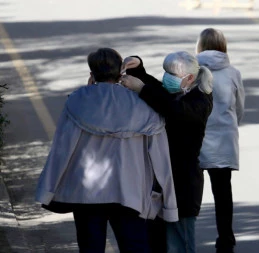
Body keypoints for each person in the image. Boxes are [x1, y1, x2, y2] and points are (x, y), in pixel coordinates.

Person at [35, 48, 178, 253]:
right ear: (121, 72)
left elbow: (61, 149)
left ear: (91, 74)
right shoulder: (144, 107)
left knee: (91, 248)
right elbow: (161, 158)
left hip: (86, 194)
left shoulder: (78, 101)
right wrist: (169, 204)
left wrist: (47, 190)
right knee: (135, 247)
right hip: (131, 193)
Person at [121, 51, 213, 253]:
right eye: (166, 72)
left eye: (172, 74)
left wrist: (142, 89)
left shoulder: (200, 101)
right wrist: (138, 68)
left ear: (189, 78)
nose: (166, 78)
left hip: (183, 185)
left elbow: (171, 107)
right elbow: (160, 92)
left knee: (181, 243)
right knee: (158, 242)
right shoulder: (181, 90)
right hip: (162, 182)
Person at [196, 28, 245, 253]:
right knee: (222, 191)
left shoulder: (190, 71)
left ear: (200, 46)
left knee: (189, 190)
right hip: (223, 139)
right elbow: (240, 108)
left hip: (194, 139)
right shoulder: (233, 73)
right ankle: (226, 237)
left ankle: (182, 236)